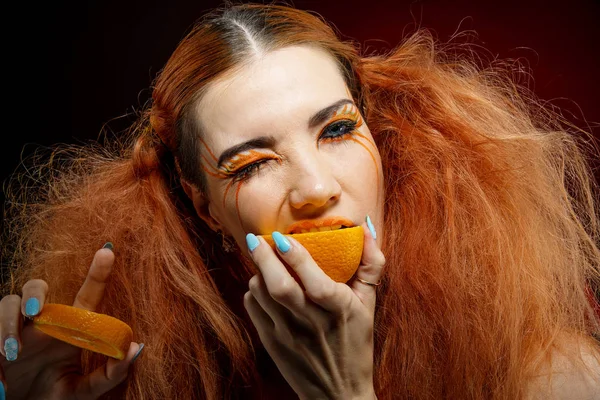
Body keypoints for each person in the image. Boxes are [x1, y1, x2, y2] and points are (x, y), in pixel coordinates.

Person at [1, 3, 599, 399]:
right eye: (253, 162)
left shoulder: (551, 377)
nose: (316, 189)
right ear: (204, 207)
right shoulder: (146, 380)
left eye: (337, 131)